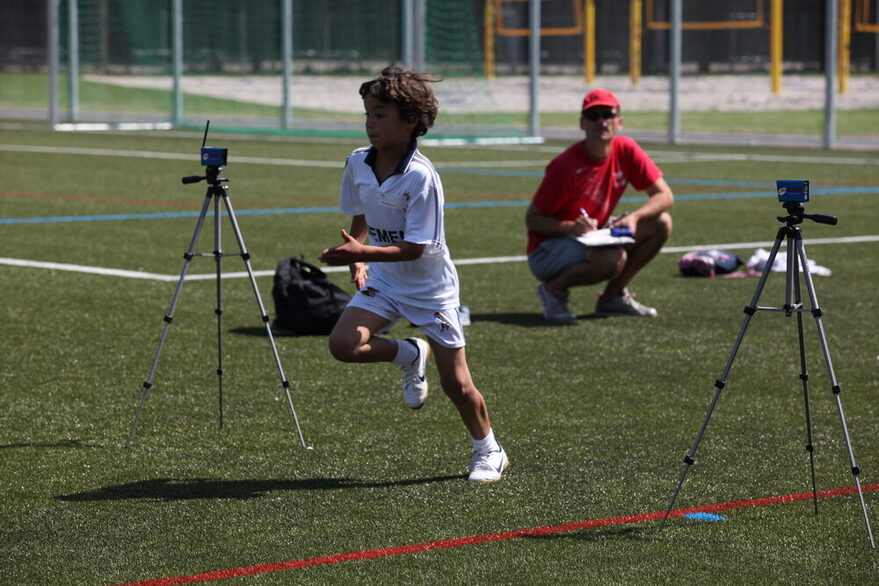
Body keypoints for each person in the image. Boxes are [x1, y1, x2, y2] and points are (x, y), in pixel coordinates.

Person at [318, 66, 509, 483]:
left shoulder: (422, 176)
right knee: (343, 344)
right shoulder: (357, 162)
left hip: (430, 290)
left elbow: (417, 247)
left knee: (456, 385)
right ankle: (409, 353)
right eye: (368, 114)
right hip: (386, 281)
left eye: (380, 114)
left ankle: (489, 450)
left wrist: (363, 250)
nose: (370, 123)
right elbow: (363, 212)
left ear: (411, 121)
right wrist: (359, 257)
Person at [525, 88, 673, 321]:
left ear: (619, 122)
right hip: (547, 251)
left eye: (608, 115)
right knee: (612, 259)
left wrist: (634, 217)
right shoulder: (566, 165)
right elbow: (533, 219)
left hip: (594, 236)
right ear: (582, 123)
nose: (601, 122)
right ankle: (553, 289)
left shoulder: (626, 149)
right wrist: (571, 227)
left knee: (661, 223)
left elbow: (665, 196)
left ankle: (613, 296)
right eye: (593, 116)